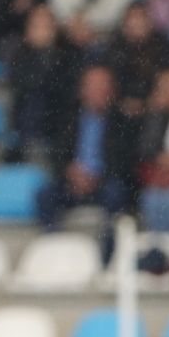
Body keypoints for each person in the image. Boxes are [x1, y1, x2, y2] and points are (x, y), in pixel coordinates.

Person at [37, 64, 138, 228]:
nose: (97, 91)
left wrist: (96, 177)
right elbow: (57, 154)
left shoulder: (123, 123)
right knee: (45, 195)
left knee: (116, 193)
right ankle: (53, 244)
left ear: (112, 91)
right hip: (72, 182)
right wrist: (70, 172)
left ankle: (108, 248)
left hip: (104, 183)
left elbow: (125, 161)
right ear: (81, 90)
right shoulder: (68, 120)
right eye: (91, 86)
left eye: (102, 86)